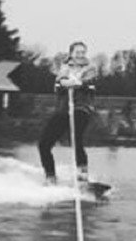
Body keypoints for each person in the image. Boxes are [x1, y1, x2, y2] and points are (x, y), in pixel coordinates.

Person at [38, 41, 97, 185]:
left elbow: (87, 82)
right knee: (44, 144)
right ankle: (50, 177)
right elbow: (59, 83)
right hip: (63, 109)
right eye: (77, 52)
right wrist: (66, 82)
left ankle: (82, 177)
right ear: (71, 54)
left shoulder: (90, 68)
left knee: (75, 139)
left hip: (82, 108)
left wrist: (76, 83)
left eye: (83, 52)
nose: (80, 55)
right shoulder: (64, 69)